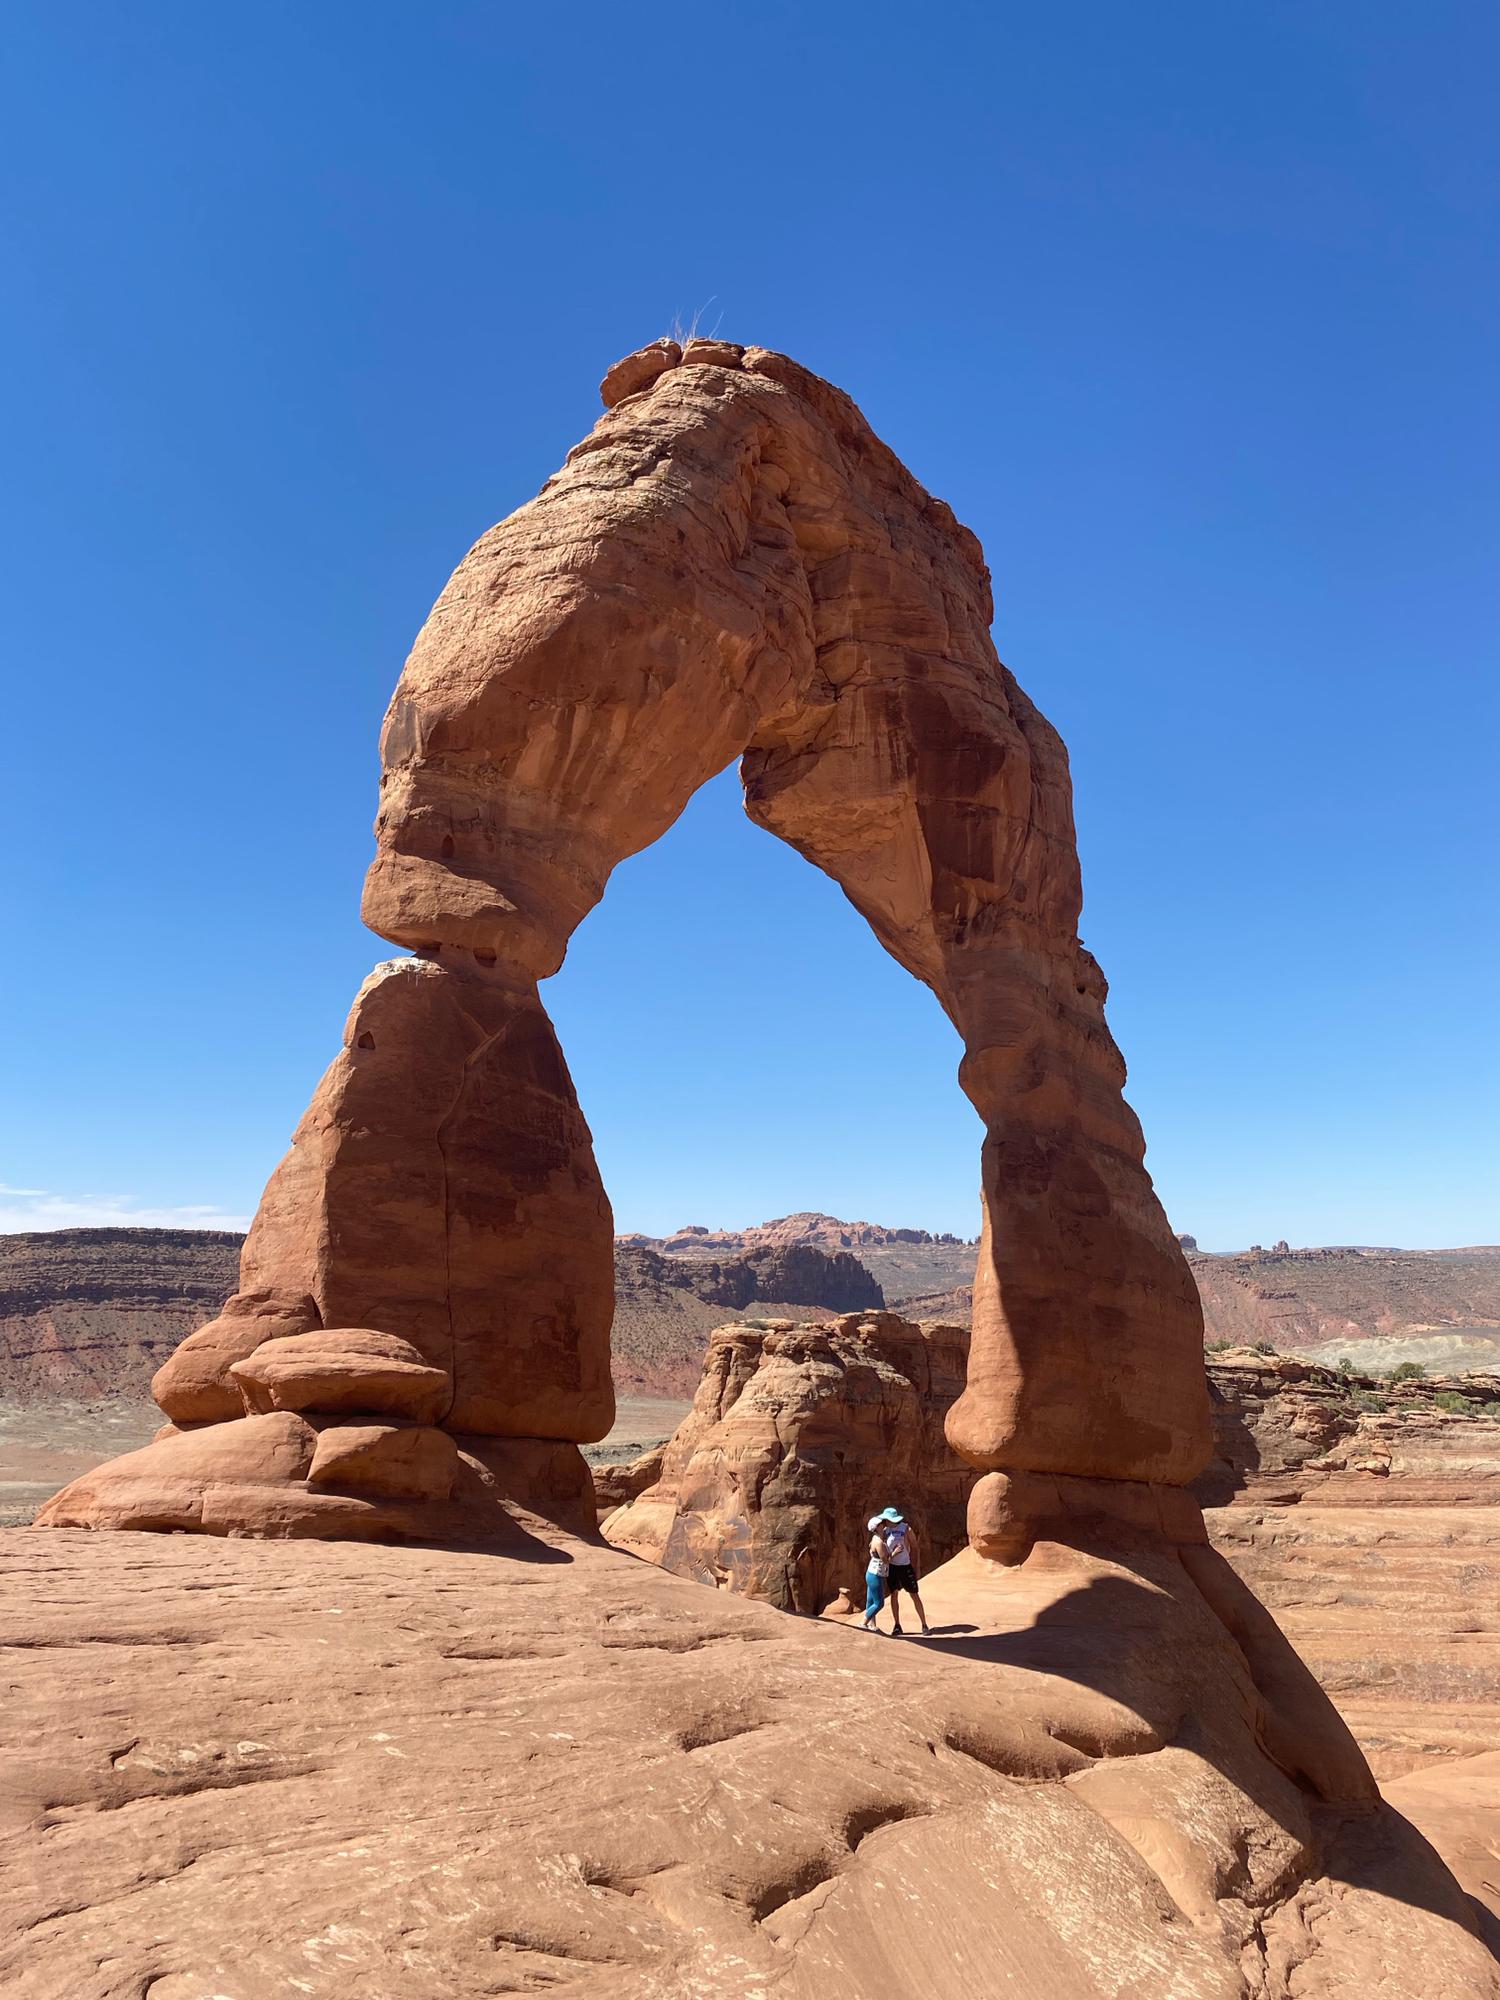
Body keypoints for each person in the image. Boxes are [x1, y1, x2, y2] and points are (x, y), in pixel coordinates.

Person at [878, 1507, 930, 1635]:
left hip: (905, 1566)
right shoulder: (886, 1531)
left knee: (914, 1594)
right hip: (892, 1567)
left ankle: (924, 1624)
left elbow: (914, 1548)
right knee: (894, 1594)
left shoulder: (906, 1529)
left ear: (891, 1519)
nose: (884, 1521)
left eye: (886, 1519)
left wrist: (915, 1567)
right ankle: (897, 1625)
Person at [862, 1515, 890, 1632]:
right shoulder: (878, 1542)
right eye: (880, 1524)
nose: (883, 1525)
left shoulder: (876, 1538)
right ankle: (863, 1623)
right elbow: (885, 1559)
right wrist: (895, 1553)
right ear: (876, 1527)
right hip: (875, 1575)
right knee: (879, 1603)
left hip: (872, 1573)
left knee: (871, 1601)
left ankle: (872, 1625)